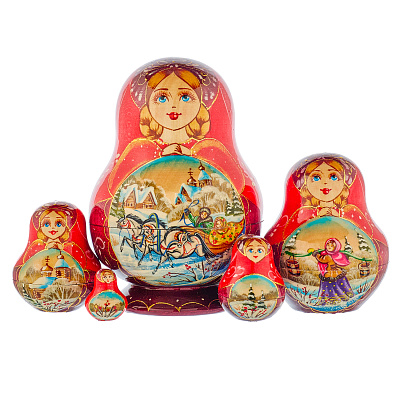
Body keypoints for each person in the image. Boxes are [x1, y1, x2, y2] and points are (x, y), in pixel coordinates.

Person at [312, 238, 354, 305]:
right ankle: (345, 294)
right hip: (336, 271)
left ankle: (332, 298)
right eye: (328, 245)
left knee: (329, 285)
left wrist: (316, 254)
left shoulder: (328, 256)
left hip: (330, 272)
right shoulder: (337, 255)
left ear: (335, 247)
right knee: (338, 284)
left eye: (332, 246)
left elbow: (321, 259)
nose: (329, 247)